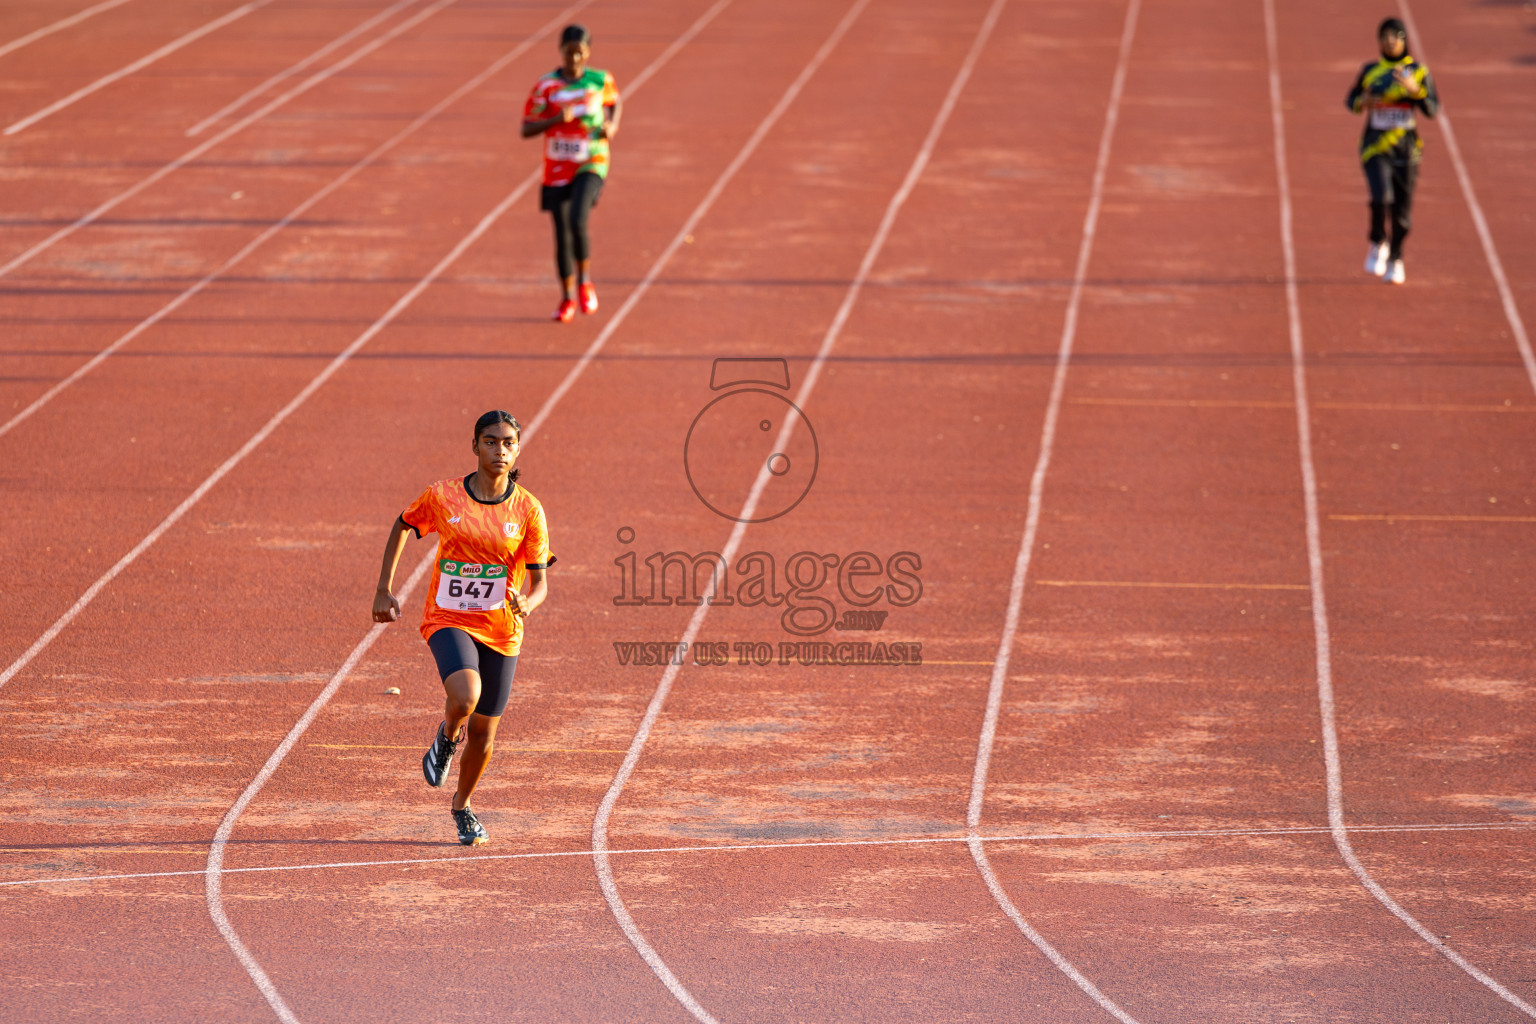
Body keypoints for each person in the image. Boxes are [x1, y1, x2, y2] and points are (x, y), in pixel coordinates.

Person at [372, 411, 554, 846]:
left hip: (503, 628)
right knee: (465, 696)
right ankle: (446, 736)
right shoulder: (445, 495)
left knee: (486, 734)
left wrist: (528, 600)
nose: (500, 450)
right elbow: (404, 524)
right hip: (449, 617)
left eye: (508, 443)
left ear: (518, 449)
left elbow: (541, 581)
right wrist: (384, 587)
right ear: (475, 446)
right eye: (490, 442)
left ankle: (462, 806)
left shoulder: (527, 509)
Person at [522, 24, 621, 322]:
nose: (575, 59)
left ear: (588, 52)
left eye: (580, 53)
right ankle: (566, 298)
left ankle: (585, 282)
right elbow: (526, 127)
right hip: (557, 167)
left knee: (579, 218)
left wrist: (611, 126)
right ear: (561, 51)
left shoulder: (600, 80)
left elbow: (614, 102)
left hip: (591, 160)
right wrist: (553, 120)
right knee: (562, 233)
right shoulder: (546, 87)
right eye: (569, 52)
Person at [1345, 17, 1439, 285]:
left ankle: (1396, 257)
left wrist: (1415, 91)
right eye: (1384, 36)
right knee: (1380, 198)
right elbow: (1351, 100)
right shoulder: (1370, 71)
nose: (1389, 41)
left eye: (1394, 36)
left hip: (1406, 152)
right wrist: (1363, 102)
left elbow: (1432, 110)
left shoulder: (1418, 72)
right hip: (1375, 146)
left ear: (1403, 39)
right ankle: (1378, 241)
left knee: (1402, 214)